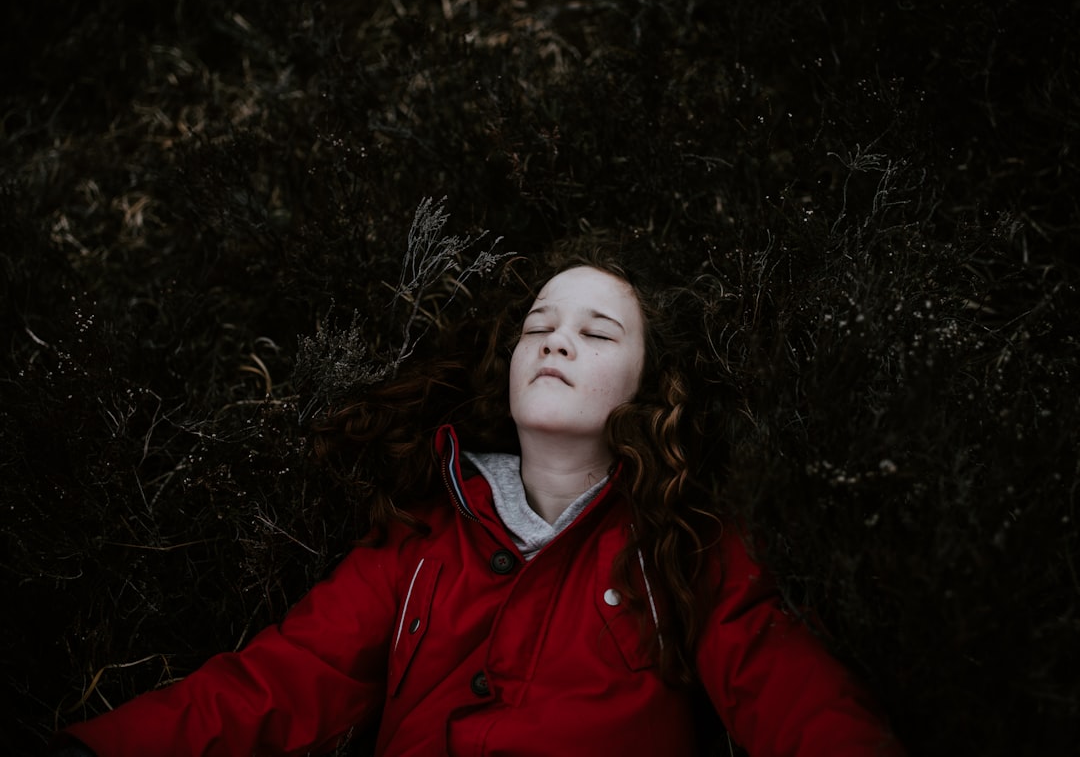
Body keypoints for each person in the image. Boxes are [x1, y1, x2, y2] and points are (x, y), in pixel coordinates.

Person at [53, 238, 906, 756]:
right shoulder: (422, 542)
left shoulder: (683, 547)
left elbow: (797, 701)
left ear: (649, 387)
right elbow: (277, 682)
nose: (556, 343)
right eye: (539, 327)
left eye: (596, 332)